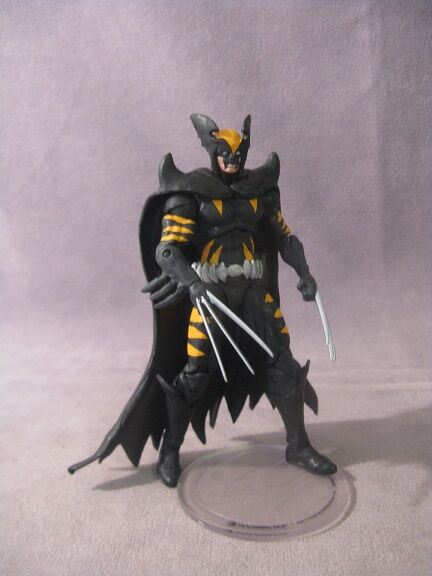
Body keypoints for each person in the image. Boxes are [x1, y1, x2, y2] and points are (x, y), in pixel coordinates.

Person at [68, 114, 337, 487]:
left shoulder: (259, 191)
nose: (232, 160)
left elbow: (284, 238)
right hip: (211, 294)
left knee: (283, 363)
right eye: (224, 153)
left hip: (252, 291)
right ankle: (170, 450)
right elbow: (167, 250)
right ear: (212, 151)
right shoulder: (192, 193)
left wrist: (304, 273)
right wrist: (192, 282)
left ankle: (298, 444)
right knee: (195, 374)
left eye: (238, 153)